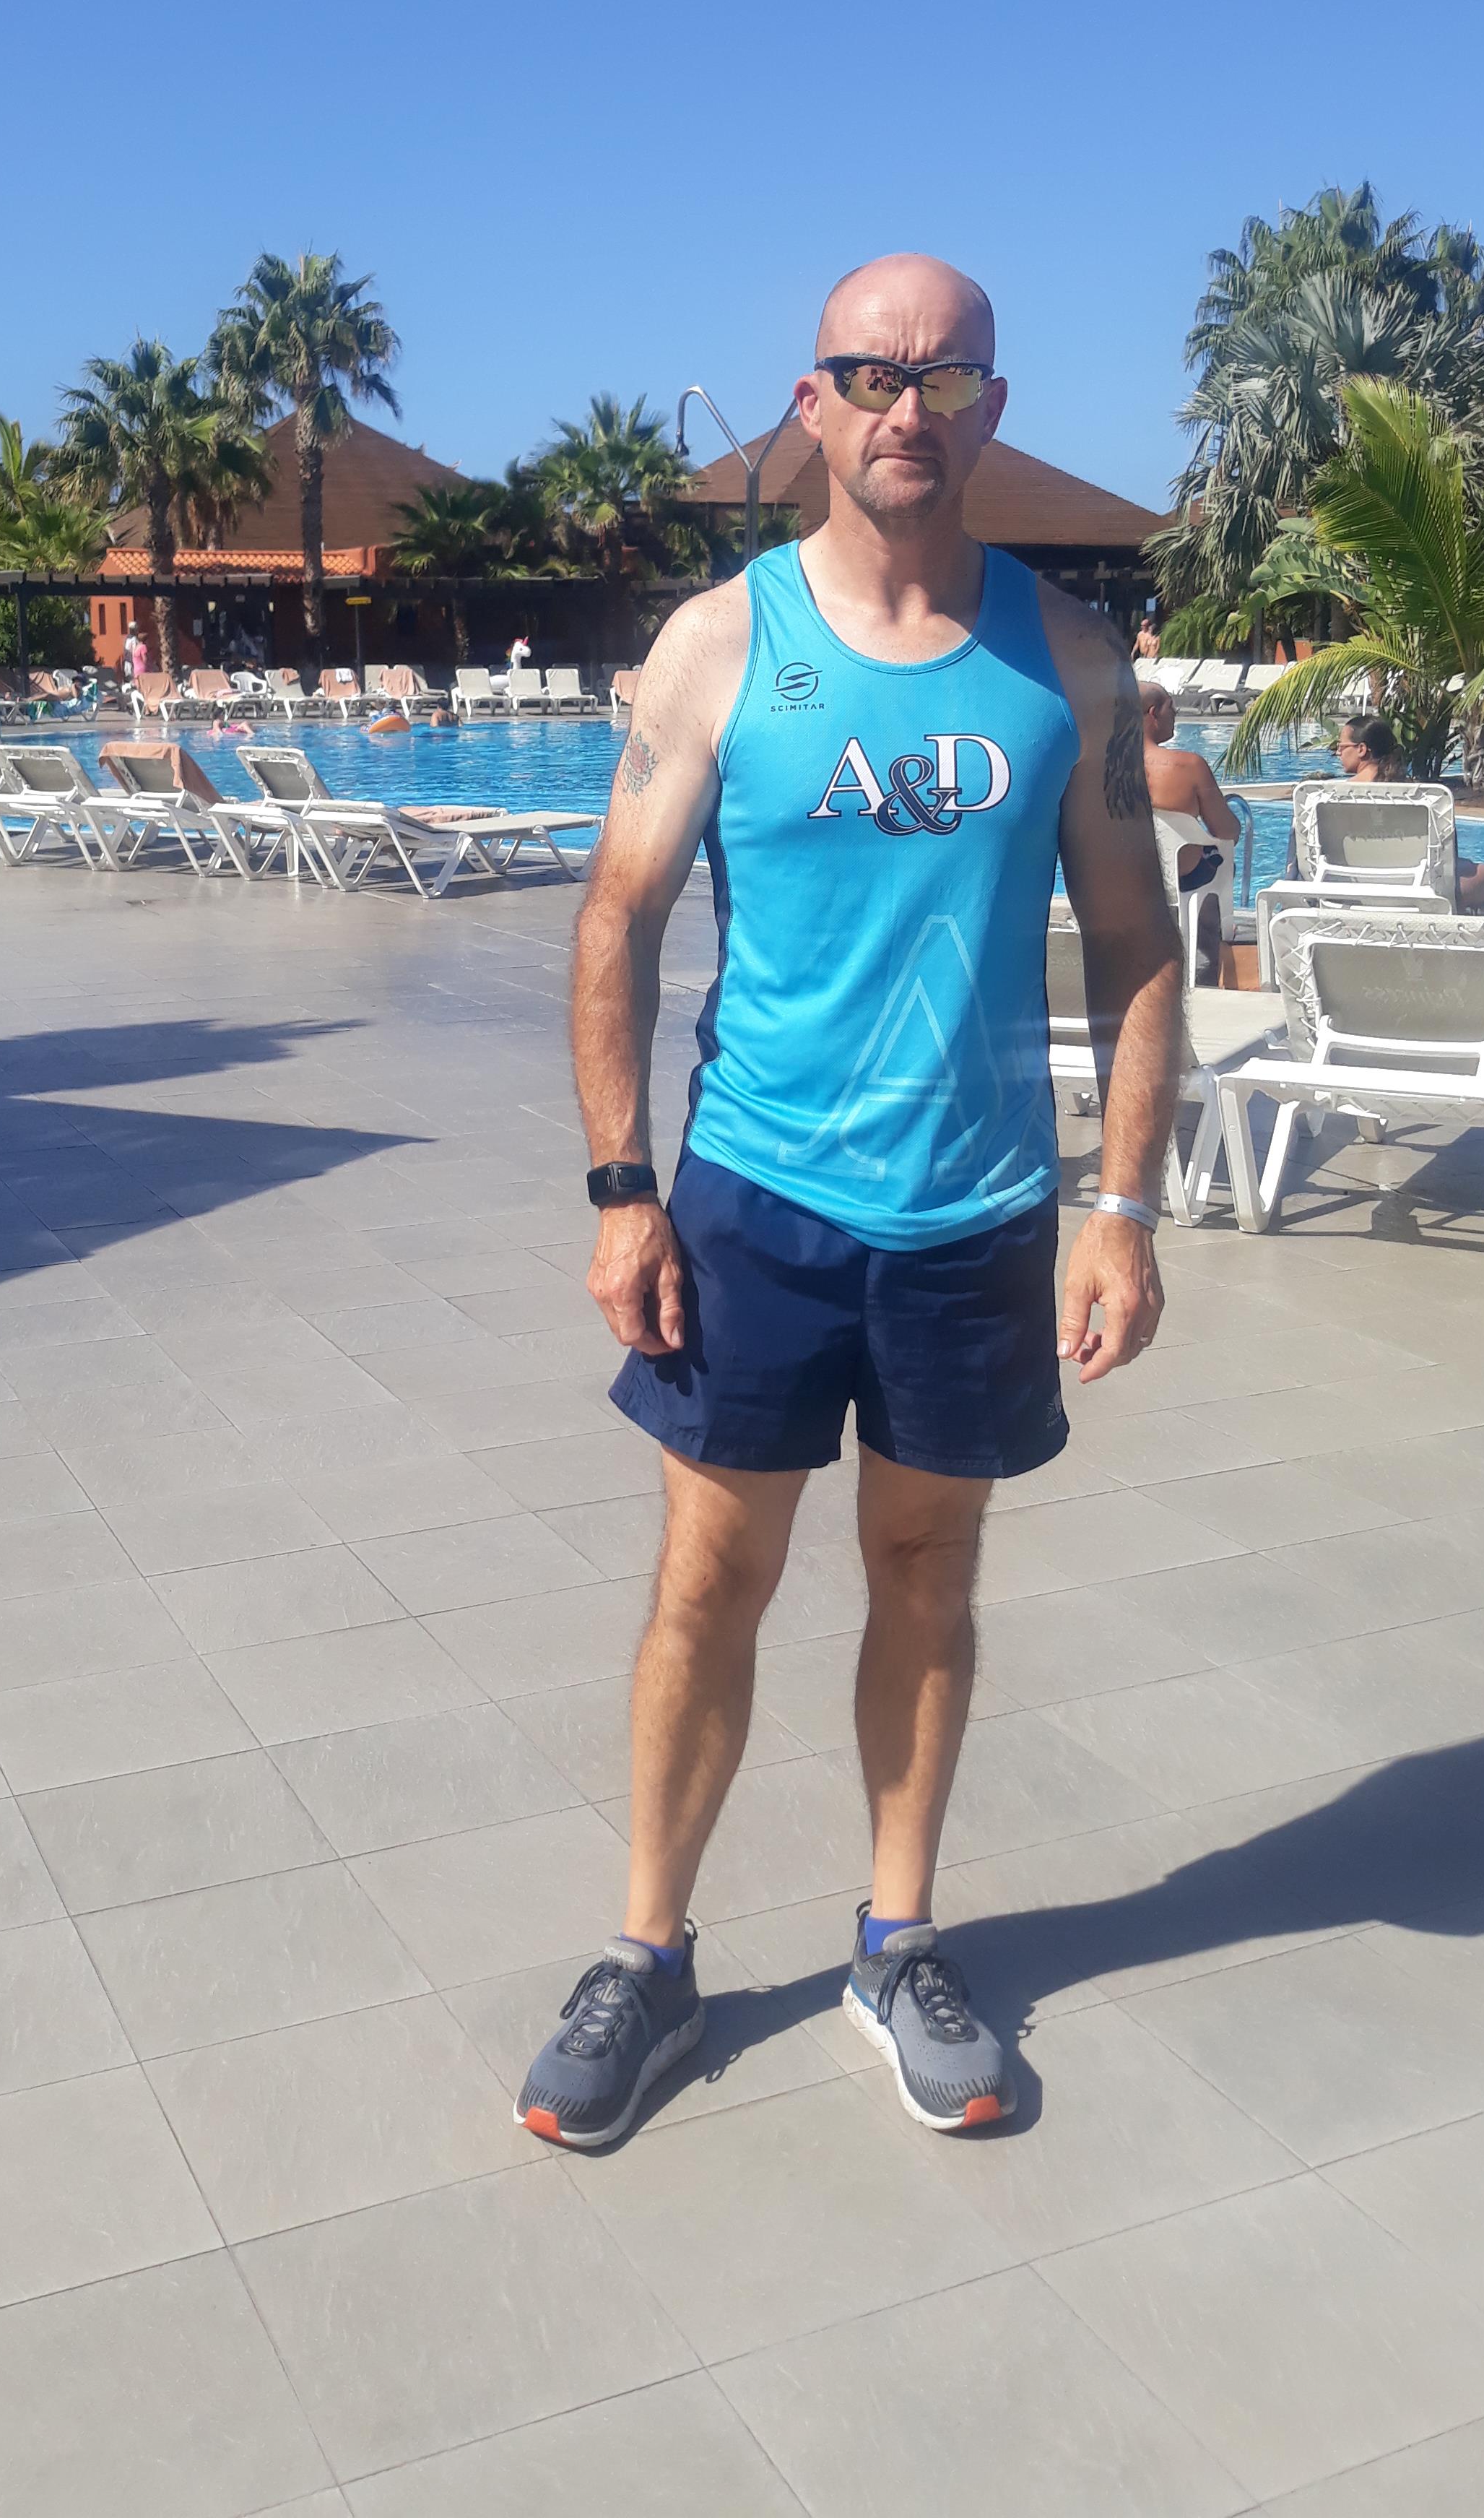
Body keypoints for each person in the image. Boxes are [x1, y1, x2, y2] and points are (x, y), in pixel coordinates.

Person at [514, 254, 1184, 2150]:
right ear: (811, 401)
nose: (908, 407)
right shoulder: (720, 644)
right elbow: (615, 920)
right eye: (871, 374)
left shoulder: (1068, 655)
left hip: (976, 1211)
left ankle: (899, 1943)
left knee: (927, 1572)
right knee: (708, 1581)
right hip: (758, 1200)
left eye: (945, 377)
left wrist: (1125, 1208)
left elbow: (1138, 944)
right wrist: (623, 1189)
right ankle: (650, 1957)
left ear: (990, 407)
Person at [1332, 714, 1484, 911]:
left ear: (1362, 749)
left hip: (1353, 890)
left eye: (1341, 747)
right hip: (1416, 891)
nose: (1338, 753)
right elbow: (1447, 854)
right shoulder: (1420, 799)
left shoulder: (1330, 798)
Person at [1140, 676, 1240, 976]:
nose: (1175, 714)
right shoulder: (1188, 765)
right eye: (1171, 707)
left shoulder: (1100, 764)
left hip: (1121, 874)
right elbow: (1227, 831)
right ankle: (1207, 959)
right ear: (1153, 713)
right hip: (1183, 877)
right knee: (1218, 860)